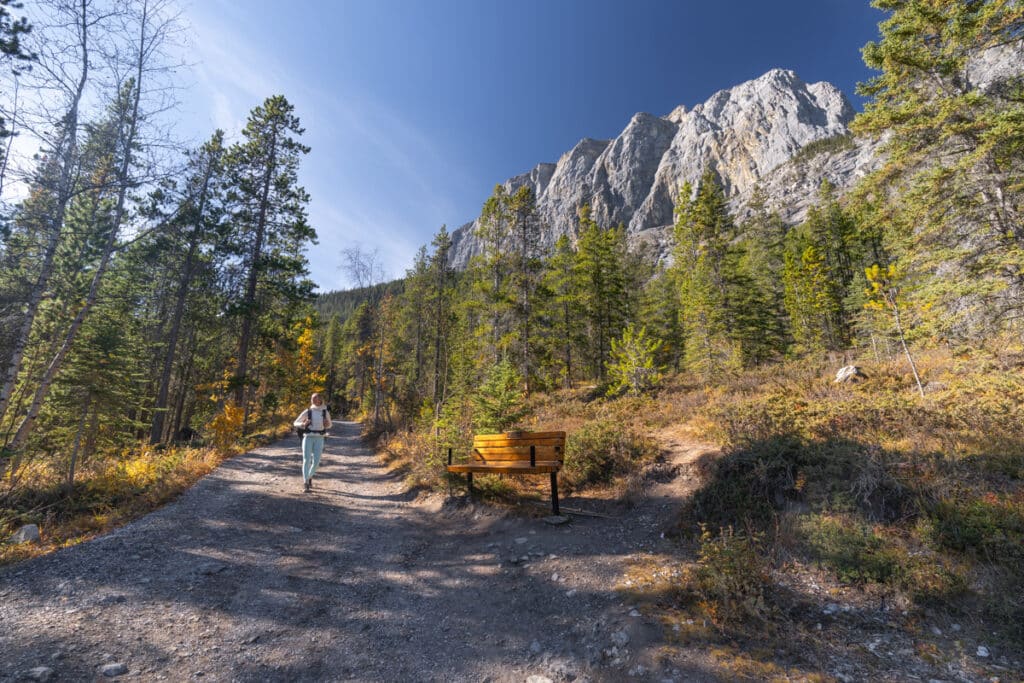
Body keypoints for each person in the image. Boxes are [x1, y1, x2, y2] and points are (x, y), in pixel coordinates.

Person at [293, 393, 332, 492]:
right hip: (308, 437)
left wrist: (327, 424)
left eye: (315, 398)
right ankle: (305, 482)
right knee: (306, 460)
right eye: (312, 398)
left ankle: (309, 476)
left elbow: (330, 425)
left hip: (320, 438)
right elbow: (295, 423)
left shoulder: (325, 411)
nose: (313, 400)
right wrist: (303, 424)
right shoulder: (308, 411)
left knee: (316, 462)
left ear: (320, 400)